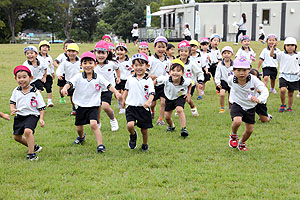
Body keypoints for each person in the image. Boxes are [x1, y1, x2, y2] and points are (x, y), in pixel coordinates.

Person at [61, 52, 122, 153]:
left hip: (93, 105)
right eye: (85, 63)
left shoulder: (99, 77)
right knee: (79, 128)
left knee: (94, 124)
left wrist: (116, 92)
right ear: (81, 65)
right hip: (80, 106)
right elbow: (69, 83)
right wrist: (64, 89)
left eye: (90, 63)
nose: (88, 65)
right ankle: (81, 137)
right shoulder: (78, 76)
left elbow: (108, 85)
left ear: (95, 64)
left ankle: (100, 145)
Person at [228, 57, 269, 151]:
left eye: (244, 70)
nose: (241, 73)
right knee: (237, 121)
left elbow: (264, 91)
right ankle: (233, 135)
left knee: (250, 130)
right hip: (237, 103)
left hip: (250, 106)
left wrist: (259, 99)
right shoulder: (230, 79)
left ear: (249, 70)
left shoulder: (254, 80)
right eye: (238, 70)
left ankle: (241, 143)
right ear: (233, 70)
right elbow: (232, 88)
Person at [10, 65, 46, 160]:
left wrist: (41, 119)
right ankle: (34, 147)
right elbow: (12, 102)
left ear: (31, 78)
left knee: (28, 131)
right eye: (19, 77)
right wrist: (12, 109)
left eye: (24, 77)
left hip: (32, 115)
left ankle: (31, 155)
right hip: (20, 116)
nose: (22, 80)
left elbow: (42, 107)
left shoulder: (35, 92)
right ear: (15, 78)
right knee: (16, 137)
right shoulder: (16, 91)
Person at [122, 53, 154, 151]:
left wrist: (148, 102)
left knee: (144, 130)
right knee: (130, 125)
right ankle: (133, 135)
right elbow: (126, 89)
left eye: (141, 65)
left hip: (143, 108)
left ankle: (145, 144)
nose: (138, 68)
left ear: (147, 66)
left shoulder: (148, 80)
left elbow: (152, 94)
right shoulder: (130, 78)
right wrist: (123, 99)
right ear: (133, 66)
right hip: (131, 106)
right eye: (136, 65)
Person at [155, 59, 192, 137]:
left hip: (180, 96)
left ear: (182, 73)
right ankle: (171, 126)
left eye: (178, 71)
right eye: (173, 70)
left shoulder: (185, 81)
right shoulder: (165, 79)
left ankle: (183, 129)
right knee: (167, 117)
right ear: (169, 72)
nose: (175, 73)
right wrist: (150, 90)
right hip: (169, 97)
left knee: (179, 110)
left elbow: (190, 83)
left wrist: (188, 93)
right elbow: (156, 81)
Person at [93, 40, 120, 131]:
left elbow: (117, 69)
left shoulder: (111, 64)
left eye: (103, 53)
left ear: (107, 53)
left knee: (105, 106)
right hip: (96, 89)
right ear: (95, 53)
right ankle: (98, 122)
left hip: (108, 88)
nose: (101, 55)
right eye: (98, 53)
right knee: (97, 108)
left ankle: (113, 120)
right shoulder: (93, 64)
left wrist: (118, 77)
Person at [270, 37, 300, 112]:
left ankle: (289, 107)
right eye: (288, 45)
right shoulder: (282, 54)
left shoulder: (298, 55)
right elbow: (271, 55)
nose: (290, 47)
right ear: (285, 46)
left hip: (294, 76)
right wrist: (273, 47)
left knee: (290, 93)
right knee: (283, 90)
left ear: (295, 46)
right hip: (283, 75)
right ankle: (283, 104)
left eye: (292, 45)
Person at [177, 40, 204, 117]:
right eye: (181, 51)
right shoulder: (176, 63)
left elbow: (199, 72)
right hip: (179, 84)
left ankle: (193, 108)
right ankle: (179, 109)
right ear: (179, 52)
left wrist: (200, 81)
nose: (183, 53)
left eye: (185, 51)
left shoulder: (192, 63)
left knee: (188, 99)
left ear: (189, 53)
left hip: (190, 85)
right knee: (178, 98)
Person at [148, 36, 171, 125]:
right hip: (152, 84)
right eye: (159, 47)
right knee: (152, 103)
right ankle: (152, 111)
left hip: (163, 85)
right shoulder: (151, 59)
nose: (161, 49)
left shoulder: (168, 61)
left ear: (166, 48)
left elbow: (169, 72)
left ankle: (160, 119)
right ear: (154, 47)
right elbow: (146, 71)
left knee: (163, 102)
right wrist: (151, 76)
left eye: (163, 47)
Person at [56, 43, 81, 115]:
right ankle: (74, 108)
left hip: (79, 82)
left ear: (77, 52)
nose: (71, 53)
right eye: (69, 51)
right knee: (72, 96)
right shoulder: (64, 62)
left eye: (73, 51)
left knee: (80, 95)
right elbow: (59, 69)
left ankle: (81, 107)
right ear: (66, 52)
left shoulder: (80, 61)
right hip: (69, 82)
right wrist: (59, 74)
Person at [53, 39, 75, 104]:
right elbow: (55, 62)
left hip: (71, 75)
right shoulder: (62, 56)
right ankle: (62, 97)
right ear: (63, 48)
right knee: (62, 88)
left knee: (72, 88)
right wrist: (59, 68)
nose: (69, 50)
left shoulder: (76, 58)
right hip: (62, 75)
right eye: (66, 48)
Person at [215, 46, 234, 113]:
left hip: (232, 82)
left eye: (228, 53)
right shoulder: (220, 64)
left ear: (232, 54)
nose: (226, 55)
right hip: (223, 81)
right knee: (222, 94)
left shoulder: (234, 64)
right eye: (224, 53)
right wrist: (218, 83)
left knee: (230, 96)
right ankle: (222, 108)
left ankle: (230, 107)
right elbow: (217, 74)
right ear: (222, 54)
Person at [115, 43, 132, 114]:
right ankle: (121, 102)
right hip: (118, 79)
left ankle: (122, 108)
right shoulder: (115, 61)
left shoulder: (129, 61)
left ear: (125, 51)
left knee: (123, 94)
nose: (119, 52)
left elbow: (132, 70)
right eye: (118, 50)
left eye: (121, 50)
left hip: (126, 80)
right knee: (117, 94)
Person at [37, 40, 55, 107]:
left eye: (46, 47)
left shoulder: (49, 57)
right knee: (39, 88)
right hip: (39, 76)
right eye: (43, 47)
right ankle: (39, 101)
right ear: (40, 48)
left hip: (48, 75)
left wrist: (53, 73)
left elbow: (51, 66)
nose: (45, 48)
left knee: (49, 88)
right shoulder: (37, 57)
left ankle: (49, 101)